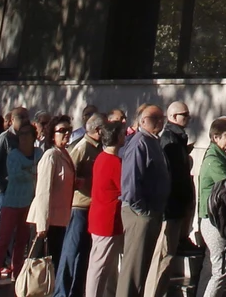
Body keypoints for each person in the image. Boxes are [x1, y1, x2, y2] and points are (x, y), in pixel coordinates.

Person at [0, 106, 40, 285]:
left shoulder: (37, 152)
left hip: (26, 200)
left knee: (20, 239)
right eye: (21, 117)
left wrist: (29, 173)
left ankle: (15, 271)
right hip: (4, 194)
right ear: (12, 120)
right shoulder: (5, 141)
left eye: (26, 118)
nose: (24, 136)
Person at [119, 105, 171, 297]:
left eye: (161, 118)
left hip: (151, 212)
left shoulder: (153, 141)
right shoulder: (139, 142)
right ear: (142, 120)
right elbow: (131, 183)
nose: (159, 122)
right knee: (133, 271)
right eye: (154, 118)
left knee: (142, 269)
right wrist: (143, 212)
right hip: (140, 214)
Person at [144, 101, 194, 297]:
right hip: (170, 208)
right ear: (173, 117)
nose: (188, 118)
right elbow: (168, 176)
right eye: (184, 115)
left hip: (176, 207)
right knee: (163, 257)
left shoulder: (177, 139)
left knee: (167, 257)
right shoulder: (169, 140)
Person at [54, 113, 105, 296]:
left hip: (92, 207)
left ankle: (76, 291)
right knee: (71, 251)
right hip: (79, 207)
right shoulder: (82, 147)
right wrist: (81, 181)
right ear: (98, 130)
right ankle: (61, 292)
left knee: (84, 253)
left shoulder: (99, 148)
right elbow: (69, 173)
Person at [196, 118, 226, 297]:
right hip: (214, 221)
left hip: (212, 219)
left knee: (210, 267)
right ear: (215, 137)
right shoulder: (214, 161)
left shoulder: (221, 156)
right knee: (220, 270)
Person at [86, 120, 128, 297]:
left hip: (101, 217)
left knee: (108, 267)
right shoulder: (114, 162)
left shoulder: (102, 158)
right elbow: (126, 188)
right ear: (117, 137)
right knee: (100, 267)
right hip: (107, 220)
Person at [29, 115, 77, 263]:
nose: (67, 133)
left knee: (54, 264)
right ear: (52, 134)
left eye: (69, 130)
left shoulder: (64, 154)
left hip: (60, 220)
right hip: (47, 221)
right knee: (39, 266)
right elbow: (43, 192)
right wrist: (42, 225)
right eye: (62, 130)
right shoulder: (50, 156)